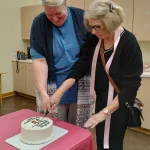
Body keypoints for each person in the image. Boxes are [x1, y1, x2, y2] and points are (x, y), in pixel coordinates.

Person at [48, 0, 143, 149]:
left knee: (112, 143)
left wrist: (103, 113)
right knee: (101, 140)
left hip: (119, 102)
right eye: (91, 27)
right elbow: (80, 67)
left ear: (111, 23)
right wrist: (60, 92)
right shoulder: (95, 39)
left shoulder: (129, 43)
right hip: (101, 99)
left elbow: (130, 87)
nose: (93, 31)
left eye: (97, 27)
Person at [30, 0, 92, 126]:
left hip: (79, 82)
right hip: (51, 85)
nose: (55, 19)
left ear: (65, 4)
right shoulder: (39, 23)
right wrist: (43, 93)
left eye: (59, 14)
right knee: (52, 129)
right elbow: (39, 60)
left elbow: (88, 58)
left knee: (77, 130)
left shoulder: (82, 18)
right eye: (49, 15)